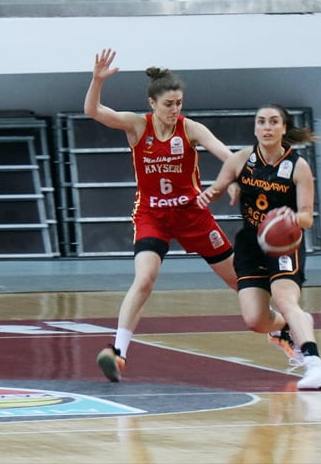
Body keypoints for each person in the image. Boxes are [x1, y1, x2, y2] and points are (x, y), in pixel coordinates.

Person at [83, 48, 237, 382]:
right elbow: (93, 111)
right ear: (152, 103)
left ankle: (281, 332)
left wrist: (232, 181)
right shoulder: (138, 126)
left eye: (179, 103)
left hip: (191, 213)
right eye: (168, 104)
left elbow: (228, 156)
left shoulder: (190, 128)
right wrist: (97, 80)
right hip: (152, 213)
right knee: (144, 279)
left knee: (240, 281)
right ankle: (117, 352)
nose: (175, 109)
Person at [197, 104, 321, 390]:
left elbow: (307, 217)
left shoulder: (298, 166)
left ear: (284, 128)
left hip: (284, 244)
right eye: (261, 122)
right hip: (251, 244)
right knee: (255, 320)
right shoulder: (240, 159)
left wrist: (291, 218)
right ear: (255, 127)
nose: (267, 127)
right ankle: (290, 325)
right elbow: (219, 187)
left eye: (273, 122)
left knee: (285, 299)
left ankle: (315, 363)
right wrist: (209, 194)